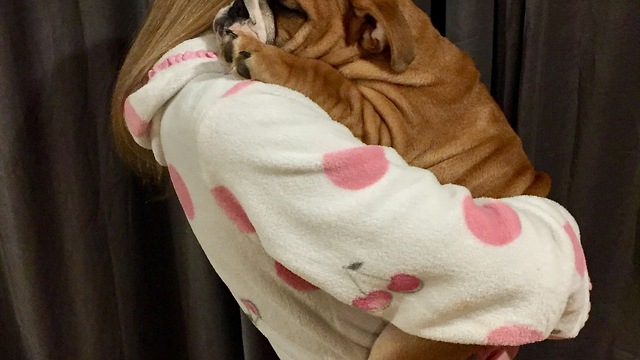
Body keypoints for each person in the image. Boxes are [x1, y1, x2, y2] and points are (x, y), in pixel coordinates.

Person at [111, 1, 591, 359]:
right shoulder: (233, 115)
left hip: (480, 263)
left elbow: (360, 116)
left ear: (372, 32)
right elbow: (528, 267)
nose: (260, 14)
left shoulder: (408, 81)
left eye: (290, 10)